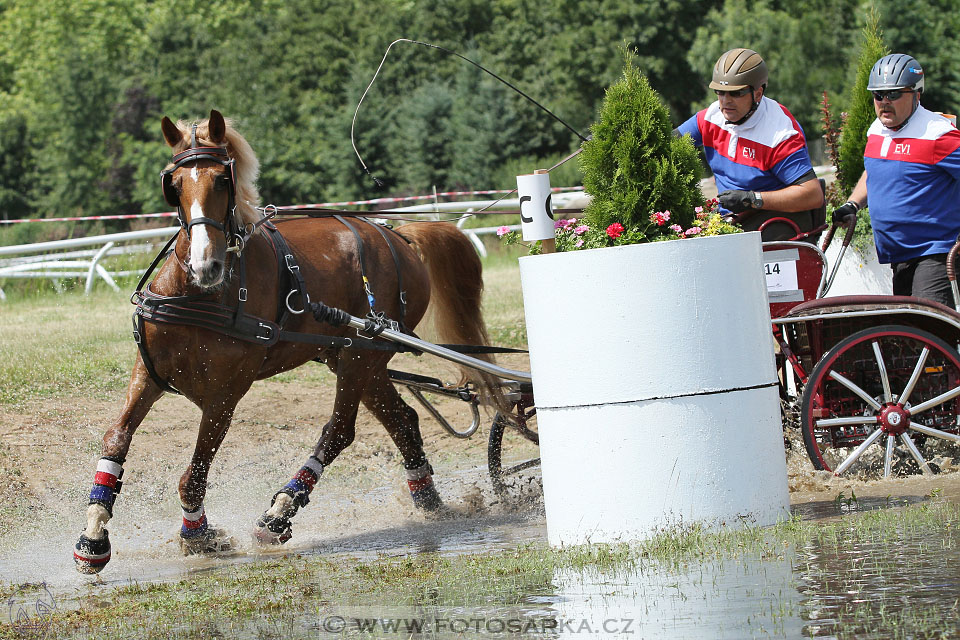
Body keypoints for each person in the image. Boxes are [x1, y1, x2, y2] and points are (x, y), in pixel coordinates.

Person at [835, 54, 960, 307]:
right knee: (906, 338)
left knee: (929, 332)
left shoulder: (938, 134)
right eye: (878, 95)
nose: (884, 102)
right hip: (898, 255)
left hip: (935, 252)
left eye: (893, 94)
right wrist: (853, 204)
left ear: (916, 94)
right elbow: (874, 170)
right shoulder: (876, 130)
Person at [676, 48, 824, 240]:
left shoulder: (780, 133)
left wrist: (752, 199)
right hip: (731, 225)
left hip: (774, 226)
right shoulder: (711, 117)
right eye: (720, 92)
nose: (725, 101)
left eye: (736, 94)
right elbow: (667, 143)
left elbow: (812, 195)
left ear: (758, 94)